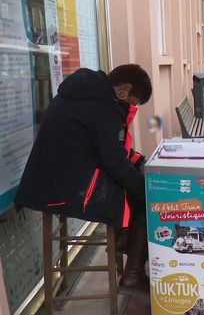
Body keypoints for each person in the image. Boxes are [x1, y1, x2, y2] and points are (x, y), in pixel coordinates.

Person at [15, 64, 153, 289]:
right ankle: (132, 274)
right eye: (134, 103)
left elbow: (105, 149)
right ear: (123, 90)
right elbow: (113, 161)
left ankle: (124, 239)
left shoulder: (86, 92)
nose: (132, 108)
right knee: (145, 199)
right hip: (67, 189)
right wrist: (145, 188)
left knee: (135, 184)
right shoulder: (104, 108)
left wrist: (137, 161)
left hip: (52, 180)